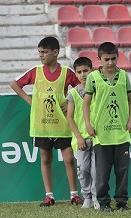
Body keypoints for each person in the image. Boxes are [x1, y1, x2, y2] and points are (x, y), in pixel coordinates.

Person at [10, 36, 83, 207]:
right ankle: (49, 196)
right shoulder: (36, 71)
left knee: (68, 158)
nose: (41, 55)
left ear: (55, 53)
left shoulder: (66, 72)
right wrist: (31, 101)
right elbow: (14, 84)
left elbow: (83, 88)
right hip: (42, 125)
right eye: (39, 52)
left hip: (63, 125)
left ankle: (74, 195)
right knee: (45, 159)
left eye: (44, 52)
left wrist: (72, 105)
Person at [82, 41, 131, 212]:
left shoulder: (124, 76)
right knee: (102, 172)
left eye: (113, 58)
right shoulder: (93, 78)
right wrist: (88, 124)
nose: (110, 63)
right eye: (106, 59)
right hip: (101, 133)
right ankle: (104, 202)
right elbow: (86, 103)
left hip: (121, 132)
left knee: (122, 170)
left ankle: (122, 202)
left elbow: (130, 99)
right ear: (99, 59)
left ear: (118, 57)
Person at [66, 56, 99, 209]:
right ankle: (87, 196)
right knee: (84, 169)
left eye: (86, 70)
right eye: (79, 72)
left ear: (92, 70)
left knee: (96, 170)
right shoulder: (73, 93)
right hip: (80, 140)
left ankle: (97, 197)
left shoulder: (99, 89)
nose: (83, 74)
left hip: (98, 137)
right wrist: (78, 136)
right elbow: (70, 117)